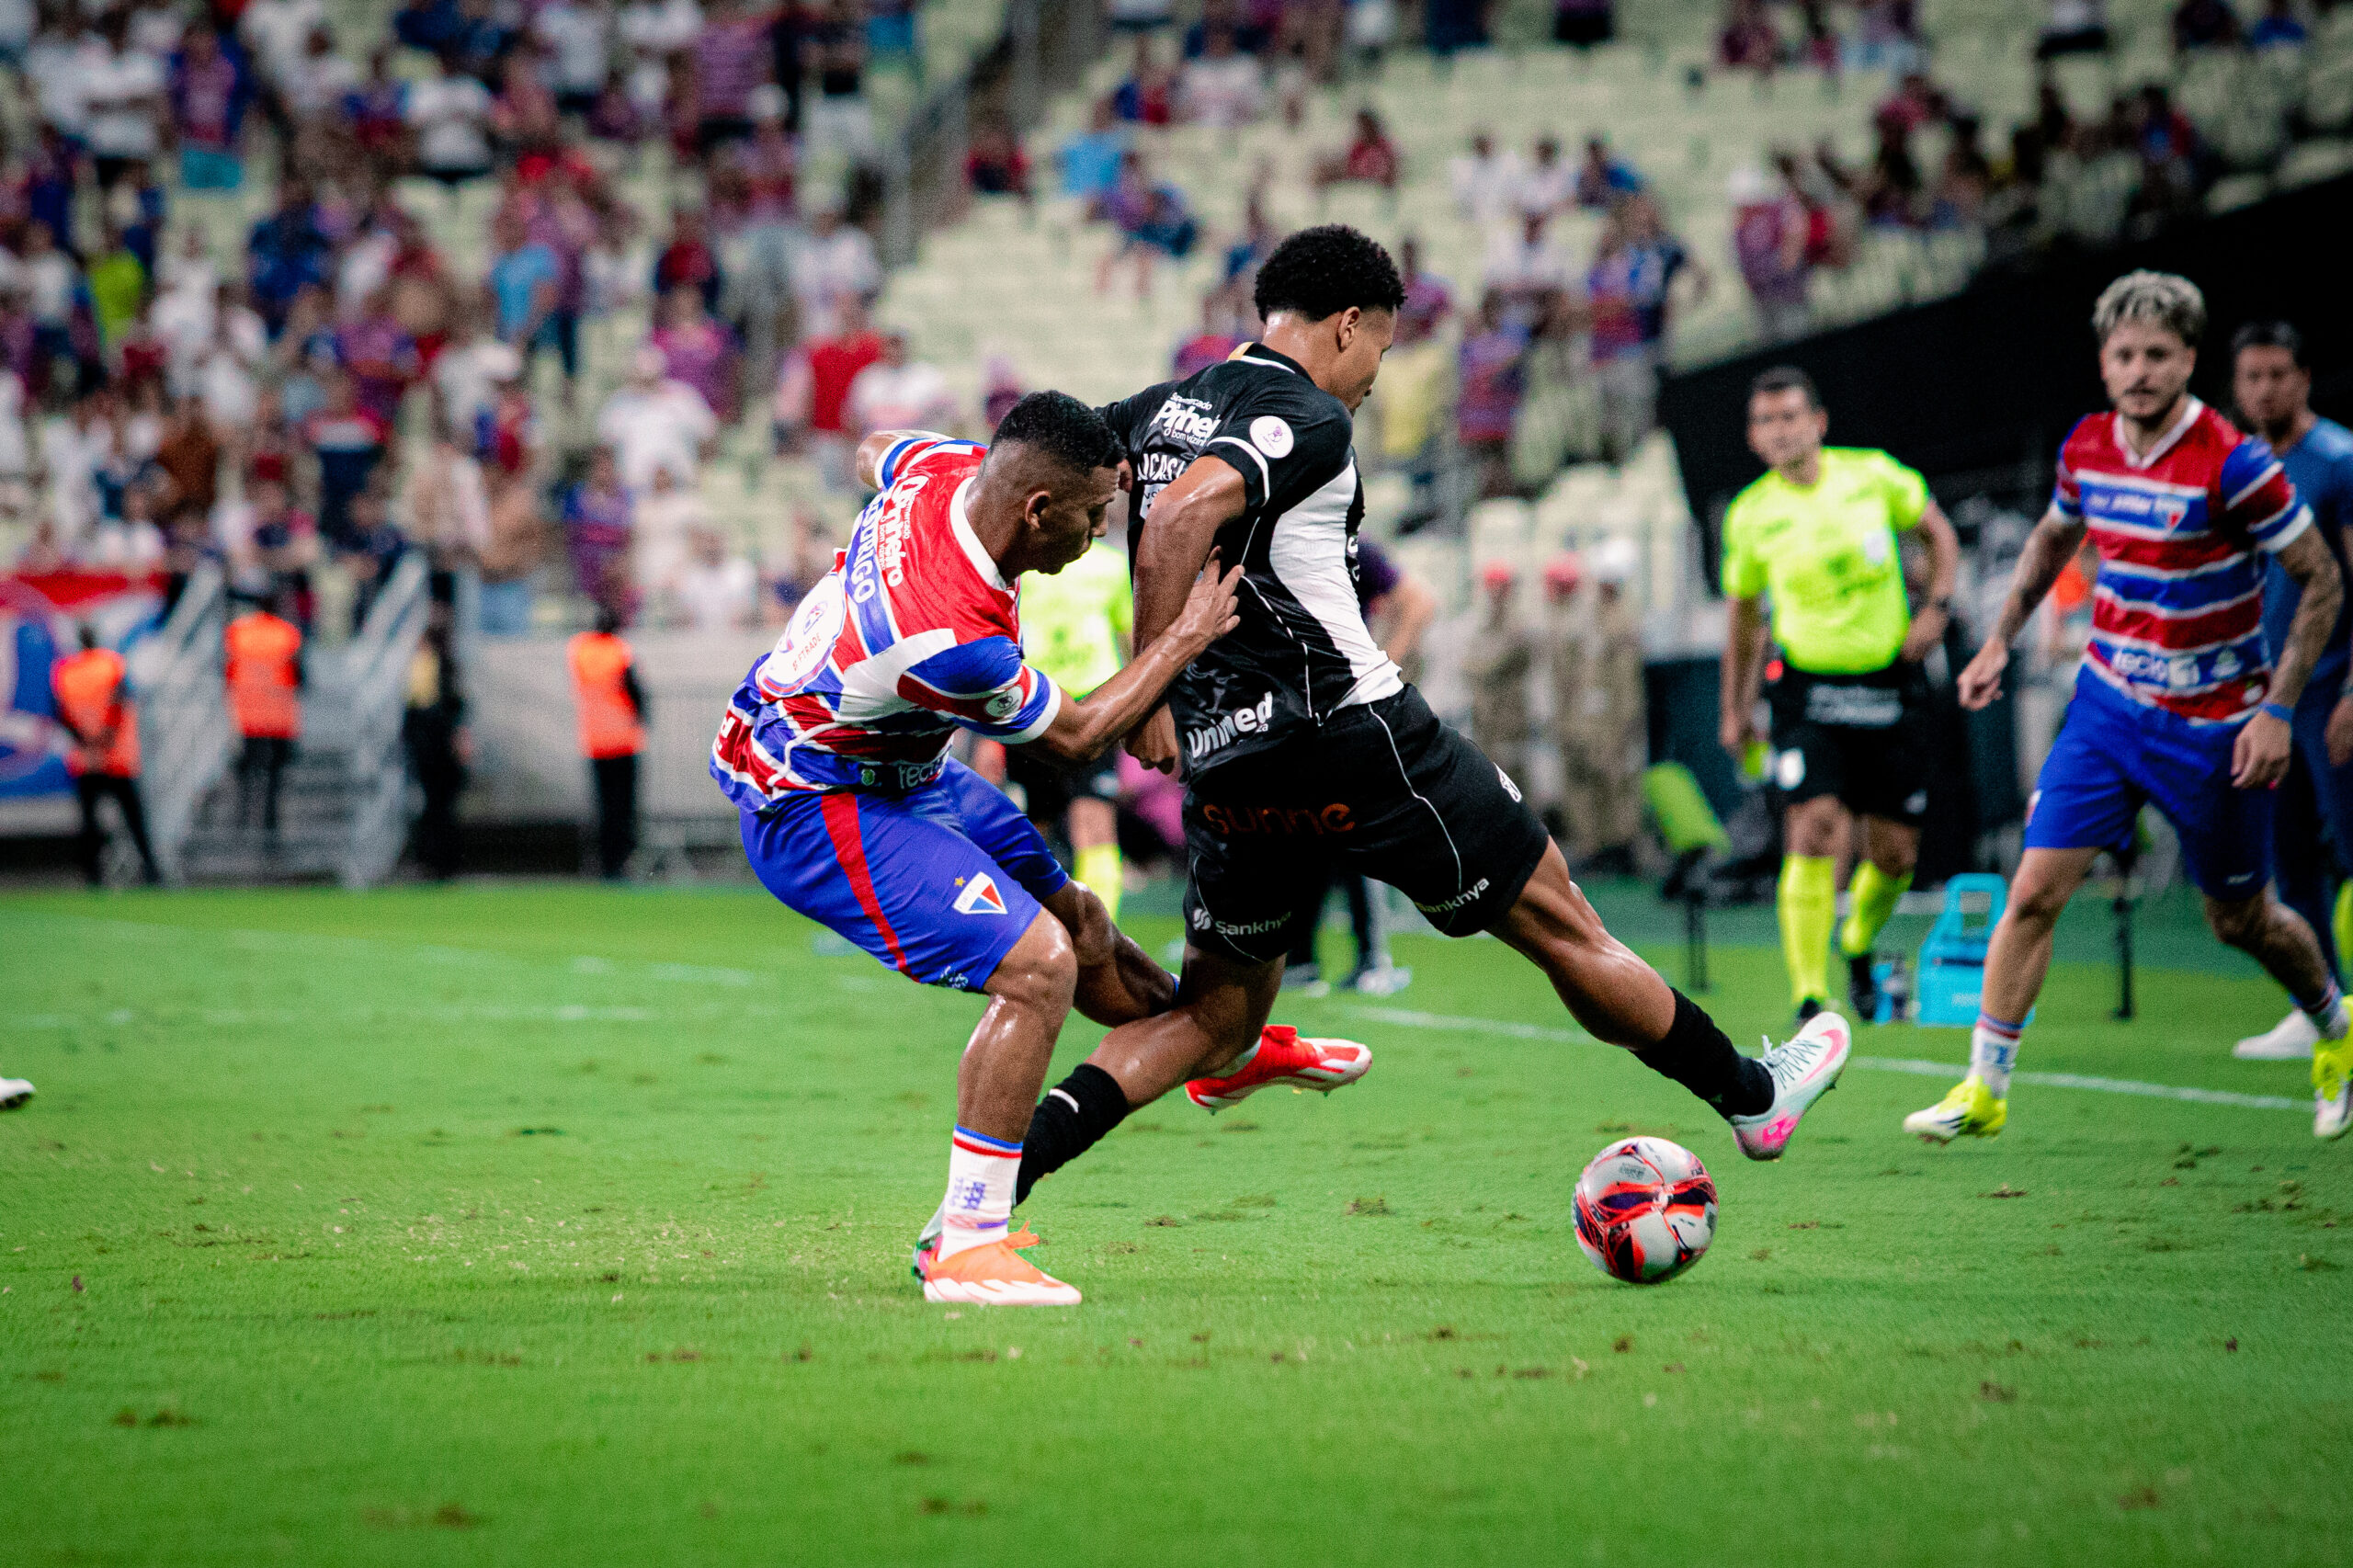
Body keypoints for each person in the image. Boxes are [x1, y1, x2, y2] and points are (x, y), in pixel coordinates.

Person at [1006, 226, 1850, 1243]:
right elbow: (1183, 516)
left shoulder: (1163, 407)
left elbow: (1051, 463)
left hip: (1233, 763)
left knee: (1211, 1023)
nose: (1373, 376)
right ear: (1349, 325)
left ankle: (990, 1192)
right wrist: (1146, 691)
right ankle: (1754, 1095)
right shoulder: (1304, 413)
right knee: (1561, 925)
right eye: (1383, 352)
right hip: (1351, 733)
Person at [709, 398, 1286, 1308]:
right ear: (1037, 509)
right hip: (816, 804)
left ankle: (1203, 1041)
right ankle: (967, 1243)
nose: (1097, 537)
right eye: (1094, 518)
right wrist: (1182, 634)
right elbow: (1085, 732)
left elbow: (873, 447)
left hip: (900, 770)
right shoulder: (946, 630)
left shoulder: (945, 468)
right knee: (1037, 964)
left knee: (1081, 922)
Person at [1912, 272, 2353, 1144]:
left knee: (2241, 920)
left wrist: (2277, 709)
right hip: (2109, 708)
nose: (2140, 370)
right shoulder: (2086, 446)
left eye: (2159, 354)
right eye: (2124, 355)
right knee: (2034, 890)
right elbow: (2052, 536)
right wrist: (2000, 638)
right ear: (2105, 363)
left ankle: (2336, 1030)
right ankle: (1984, 1088)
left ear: (2190, 360)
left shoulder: (2237, 463)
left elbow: (2323, 577)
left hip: (2213, 726)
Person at [1719, 367, 1960, 1025]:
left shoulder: (1875, 477)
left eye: (1791, 415)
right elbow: (1741, 619)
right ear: (1752, 436)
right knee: (1815, 827)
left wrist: (1936, 609)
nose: (1781, 429)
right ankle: (1809, 995)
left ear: (1819, 422)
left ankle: (1856, 941)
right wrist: (1734, 710)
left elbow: (1939, 533)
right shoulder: (1750, 515)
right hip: (1807, 690)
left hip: (1889, 685)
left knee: (1896, 854)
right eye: (1766, 420)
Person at [2224, 322, 2353, 1062]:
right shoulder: (2239, 467)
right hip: (2262, 701)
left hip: (2331, 688)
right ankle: (2320, 1007)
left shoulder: (2336, 462)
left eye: (2278, 373)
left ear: (2304, 378)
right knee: (2289, 857)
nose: (2264, 389)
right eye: (2252, 376)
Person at [1010, 523, 1136, 923]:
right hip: (1032, 705)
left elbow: (1129, 638)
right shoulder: (1024, 568)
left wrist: (1137, 709)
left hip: (1091, 705)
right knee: (1034, 824)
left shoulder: (1113, 566)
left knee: (1093, 819)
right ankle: (1032, 927)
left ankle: (1100, 933)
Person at [1554, 540, 1647, 874]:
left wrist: (1625, 721)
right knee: (1588, 779)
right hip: (1587, 715)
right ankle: (1593, 844)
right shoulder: (1589, 616)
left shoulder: (1622, 620)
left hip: (1611, 717)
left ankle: (1621, 845)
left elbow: (1625, 681)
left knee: (1617, 779)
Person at [51, 624, 162, 886]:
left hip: (86, 758)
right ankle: (151, 871)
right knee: (134, 818)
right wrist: (105, 737)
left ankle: (93, 874)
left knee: (90, 821)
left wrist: (86, 739)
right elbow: (119, 703)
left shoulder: (67, 671)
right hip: (116, 757)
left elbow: (62, 712)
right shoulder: (111, 665)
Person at [570, 606, 645, 879]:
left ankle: (603, 862)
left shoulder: (580, 649)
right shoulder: (619, 650)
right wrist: (643, 717)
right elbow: (634, 690)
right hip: (623, 739)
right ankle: (622, 861)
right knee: (623, 807)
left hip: (594, 740)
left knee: (602, 806)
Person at [226, 591, 305, 837]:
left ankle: (242, 819)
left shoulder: (238, 632)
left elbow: (228, 672)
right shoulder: (287, 633)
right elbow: (300, 674)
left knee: (248, 768)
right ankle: (270, 821)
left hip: (247, 714)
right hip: (279, 716)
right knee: (274, 772)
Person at [404, 618, 468, 880]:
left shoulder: (422, 664)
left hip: (427, 746)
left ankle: (432, 861)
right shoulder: (441, 664)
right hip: (438, 746)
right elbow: (453, 708)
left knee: (434, 805)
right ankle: (441, 862)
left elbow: (412, 709)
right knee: (441, 806)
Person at [1463, 561, 1534, 784]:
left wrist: (1475, 665)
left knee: (1513, 783)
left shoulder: (1518, 628)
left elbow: (1491, 665)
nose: (1493, 594)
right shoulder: (1483, 627)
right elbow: (1465, 665)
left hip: (1510, 723)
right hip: (1485, 722)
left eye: (1498, 588)